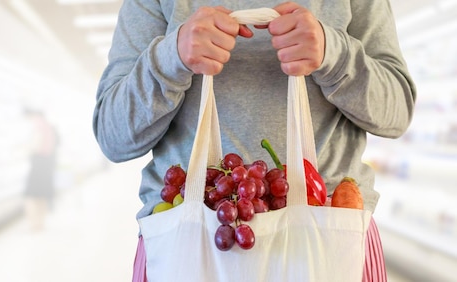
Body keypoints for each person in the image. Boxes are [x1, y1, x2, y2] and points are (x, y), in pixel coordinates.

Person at [93, 1, 416, 281]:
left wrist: (335, 54)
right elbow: (115, 136)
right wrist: (170, 58)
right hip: (190, 241)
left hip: (329, 235)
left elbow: (395, 114)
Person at [23, 109, 59, 231]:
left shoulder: (38, 124)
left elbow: (37, 144)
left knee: (30, 196)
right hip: (48, 163)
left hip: (38, 162)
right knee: (42, 195)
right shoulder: (49, 126)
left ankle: (33, 225)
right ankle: (41, 224)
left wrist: (26, 150)